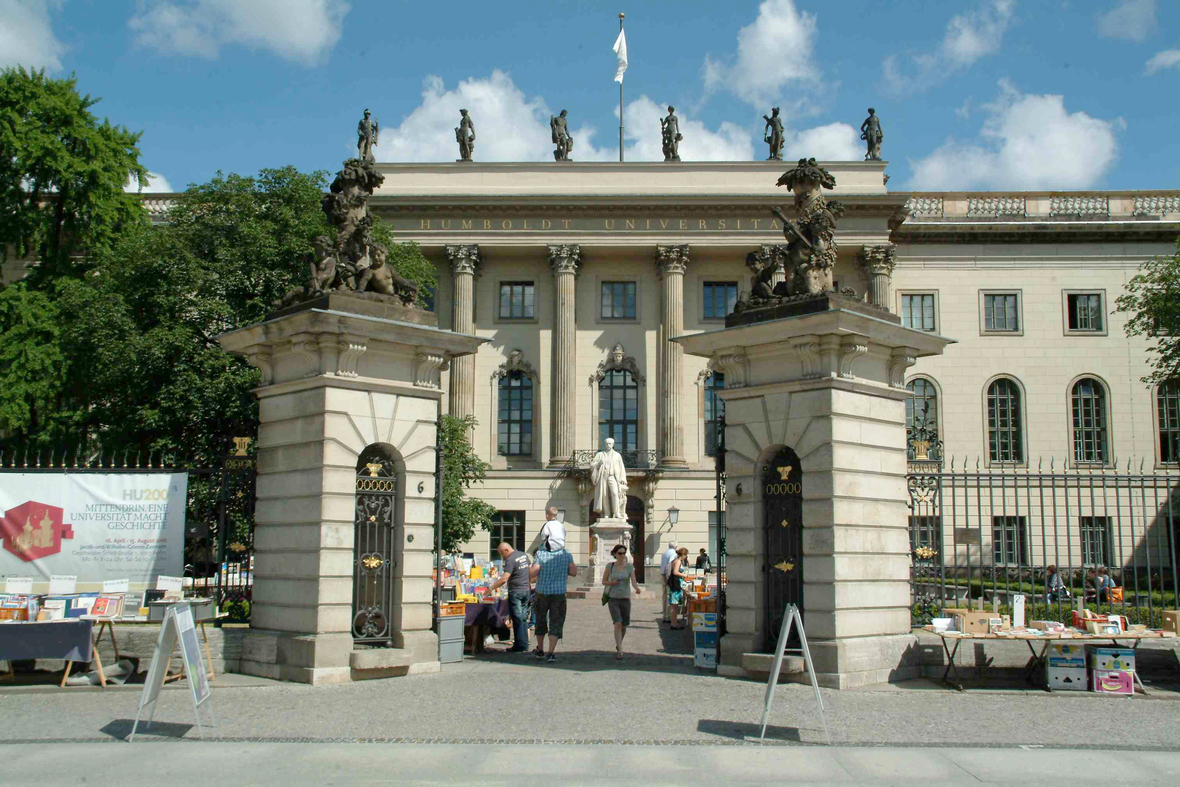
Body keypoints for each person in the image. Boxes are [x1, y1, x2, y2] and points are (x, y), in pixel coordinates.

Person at [528, 544, 578, 663]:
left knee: (540, 620)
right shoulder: (566, 554)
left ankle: (540, 649)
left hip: (542, 592)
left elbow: (532, 573)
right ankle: (551, 653)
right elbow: (574, 572)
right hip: (559, 593)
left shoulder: (540, 553)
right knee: (556, 622)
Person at [602, 544, 643, 660]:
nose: (622, 556)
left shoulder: (629, 567)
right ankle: (620, 650)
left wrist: (637, 588)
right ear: (615, 554)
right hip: (613, 598)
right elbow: (604, 581)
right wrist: (612, 583)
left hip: (625, 598)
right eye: (619, 553)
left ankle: (618, 643)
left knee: (624, 625)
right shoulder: (610, 566)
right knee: (617, 623)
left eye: (624, 553)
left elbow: (633, 581)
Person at [489, 542, 531, 652]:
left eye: (502, 554)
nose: (503, 557)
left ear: (506, 550)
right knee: (523, 618)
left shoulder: (510, 560)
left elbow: (504, 579)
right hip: (526, 590)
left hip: (516, 591)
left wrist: (490, 589)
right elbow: (529, 571)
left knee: (517, 619)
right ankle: (524, 644)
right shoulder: (524, 555)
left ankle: (519, 645)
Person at [591, 437, 628, 519]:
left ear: (613, 445)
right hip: (603, 476)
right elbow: (592, 465)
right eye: (607, 443)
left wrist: (623, 480)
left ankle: (617, 513)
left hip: (613, 477)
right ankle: (606, 513)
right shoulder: (600, 455)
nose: (608, 445)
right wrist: (598, 464)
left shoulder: (617, 455)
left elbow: (621, 468)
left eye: (610, 443)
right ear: (604, 444)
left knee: (615, 494)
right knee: (604, 495)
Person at [667, 547, 691, 629]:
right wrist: (684, 575)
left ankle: (674, 623)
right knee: (674, 606)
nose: (686, 557)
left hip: (675, 584)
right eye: (686, 555)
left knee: (675, 606)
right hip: (675, 585)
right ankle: (674, 624)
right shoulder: (678, 561)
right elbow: (675, 572)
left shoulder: (676, 560)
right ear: (683, 554)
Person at [660, 539, 679, 623]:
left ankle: (664, 615)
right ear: (675, 546)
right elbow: (670, 565)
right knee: (669, 596)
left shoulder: (665, 553)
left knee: (664, 596)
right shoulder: (673, 554)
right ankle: (668, 616)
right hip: (668, 576)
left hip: (662, 574)